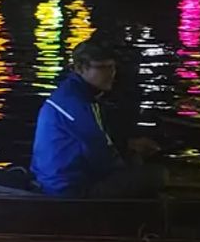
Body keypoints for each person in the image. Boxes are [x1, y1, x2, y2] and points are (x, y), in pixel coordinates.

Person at [31, 38, 164, 198]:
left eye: (113, 67)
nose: (111, 74)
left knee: (136, 163)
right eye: (103, 68)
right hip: (68, 188)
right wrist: (128, 167)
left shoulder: (73, 94)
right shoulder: (78, 104)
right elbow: (101, 154)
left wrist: (128, 147)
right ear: (80, 68)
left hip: (55, 179)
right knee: (157, 175)